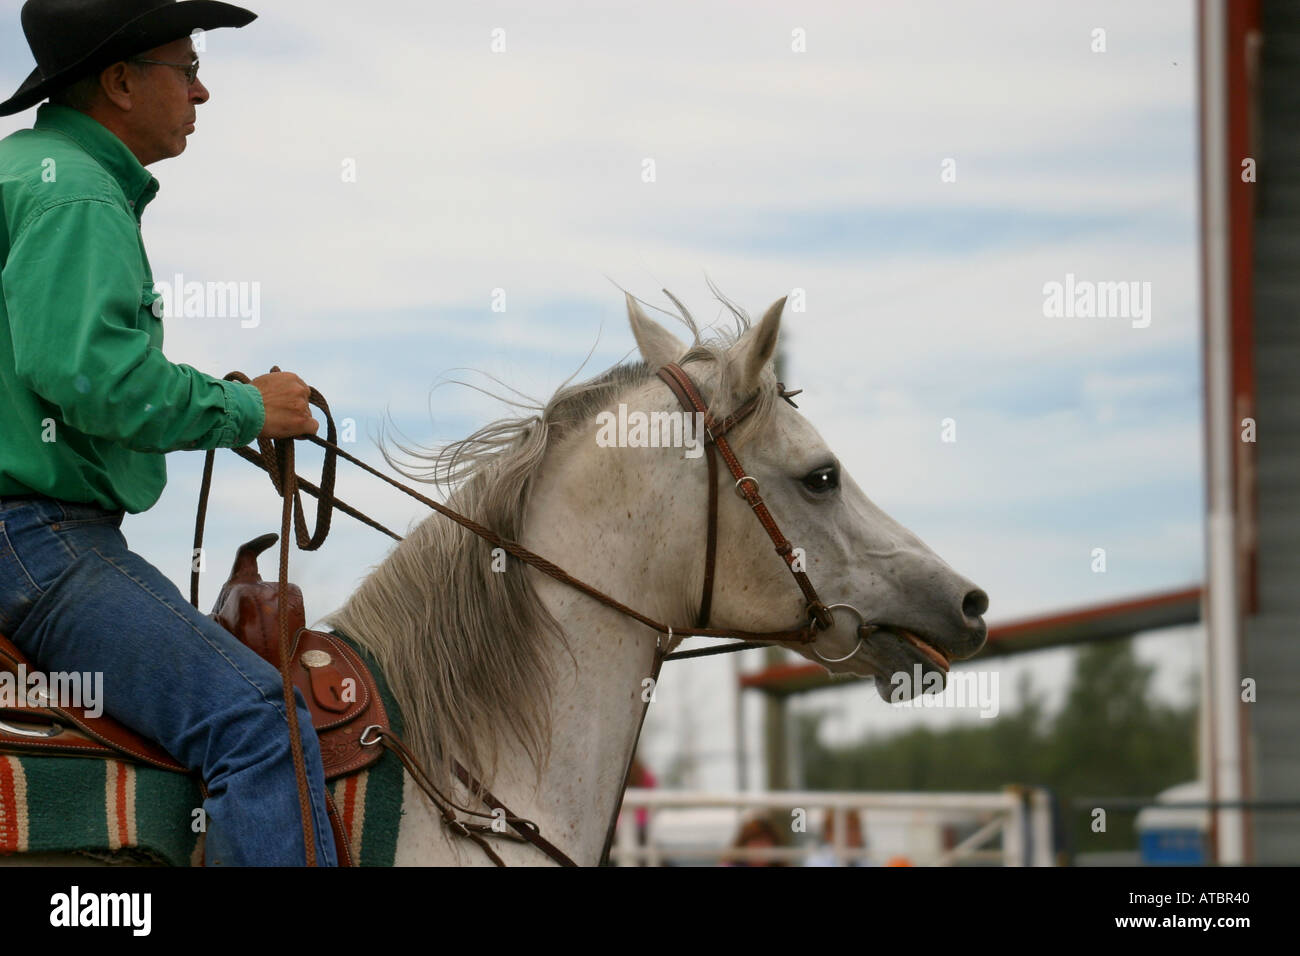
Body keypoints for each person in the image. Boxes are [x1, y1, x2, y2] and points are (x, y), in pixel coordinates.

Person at [0, 0, 336, 866]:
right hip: (34, 539)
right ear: (118, 82)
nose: (203, 90)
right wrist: (248, 410)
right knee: (264, 727)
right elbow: (90, 380)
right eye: (185, 68)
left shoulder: (27, 173)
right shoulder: (77, 194)